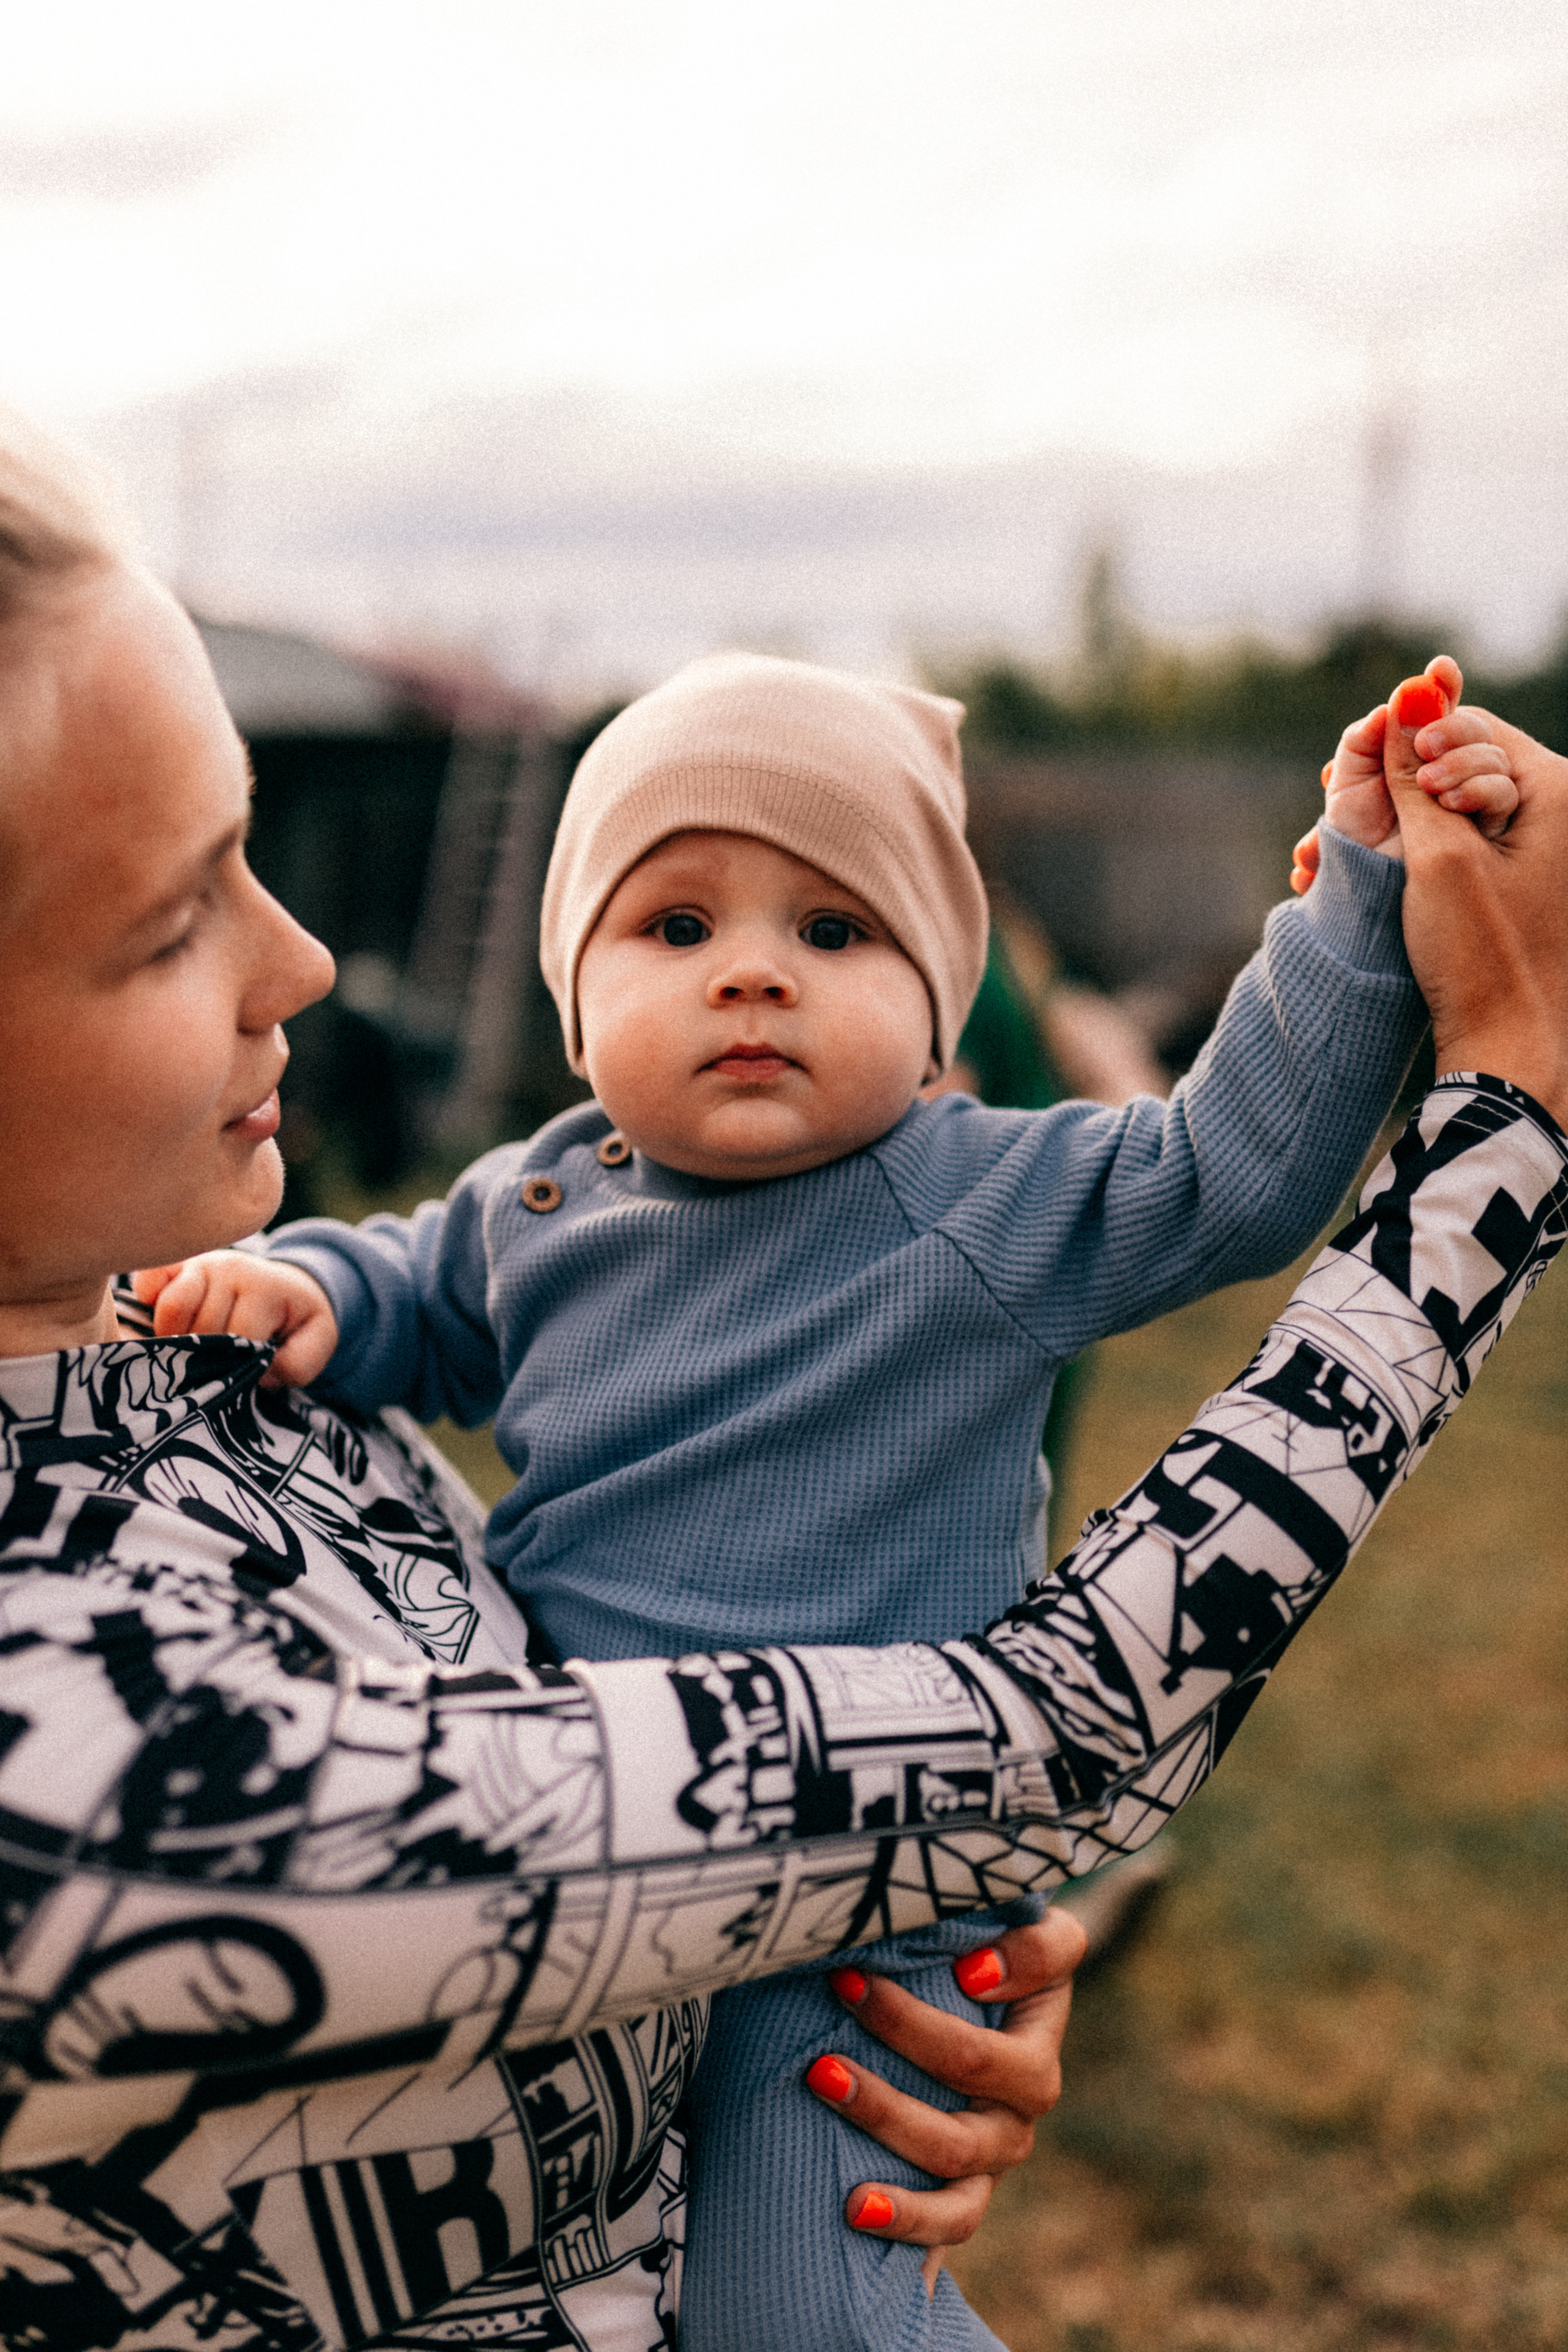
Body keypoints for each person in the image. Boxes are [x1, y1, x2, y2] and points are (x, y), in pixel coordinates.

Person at [7, 418, 1566, 2352]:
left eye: (834, 933)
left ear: (936, 1016)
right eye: (678, 928)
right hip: (853, 1852)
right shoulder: (547, 1197)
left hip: (853, 1959)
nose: (309, 960)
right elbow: (412, 1286)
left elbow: (1221, 1172)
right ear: (585, 1002)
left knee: (811, 2301)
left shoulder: (969, 1192)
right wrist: (1516, 1105)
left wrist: (1352, 906)